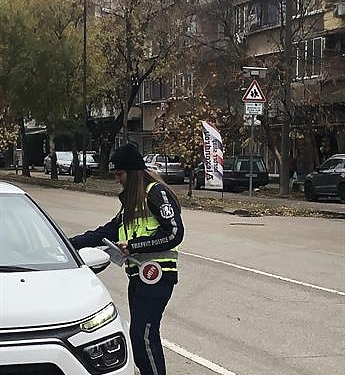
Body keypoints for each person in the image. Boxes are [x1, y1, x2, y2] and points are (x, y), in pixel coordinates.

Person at [69, 143, 184, 375]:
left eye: (120, 174)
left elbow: (174, 232)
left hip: (156, 276)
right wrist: (67, 243)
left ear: (132, 172)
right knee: (139, 336)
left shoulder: (155, 193)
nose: (117, 179)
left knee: (143, 335)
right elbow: (106, 232)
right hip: (138, 277)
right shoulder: (131, 203)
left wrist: (133, 246)